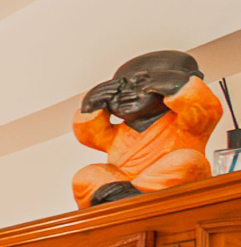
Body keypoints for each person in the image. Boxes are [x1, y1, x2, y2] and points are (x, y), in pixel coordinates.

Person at [71, 50, 221, 208]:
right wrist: (90, 105)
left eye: (141, 83)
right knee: (87, 174)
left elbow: (205, 109)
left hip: (166, 187)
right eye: (118, 88)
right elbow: (88, 134)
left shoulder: (185, 124)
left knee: (187, 160)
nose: (126, 93)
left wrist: (180, 84)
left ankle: (136, 197)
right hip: (117, 185)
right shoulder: (114, 135)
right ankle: (125, 198)